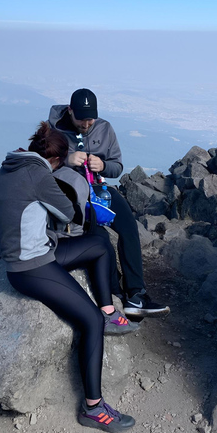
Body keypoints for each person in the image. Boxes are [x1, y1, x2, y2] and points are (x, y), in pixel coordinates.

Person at [0, 122, 136, 433]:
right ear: (56, 160)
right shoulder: (40, 175)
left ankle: (109, 310)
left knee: (99, 245)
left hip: (39, 251)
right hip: (30, 267)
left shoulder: (11, 165)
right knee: (90, 322)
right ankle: (93, 408)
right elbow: (71, 213)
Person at [48, 88, 170, 319]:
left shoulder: (104, 128)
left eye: (90, 119)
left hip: (100, 191)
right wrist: (65, 160)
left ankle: (136, 295)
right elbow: (41, 163)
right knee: (100, 238)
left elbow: (117, 167)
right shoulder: (54, 130)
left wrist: (103, 166)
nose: (86, 124)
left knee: (129, 227)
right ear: (70, 110)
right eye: (81, 119)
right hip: (72, 194)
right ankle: (115, 295)